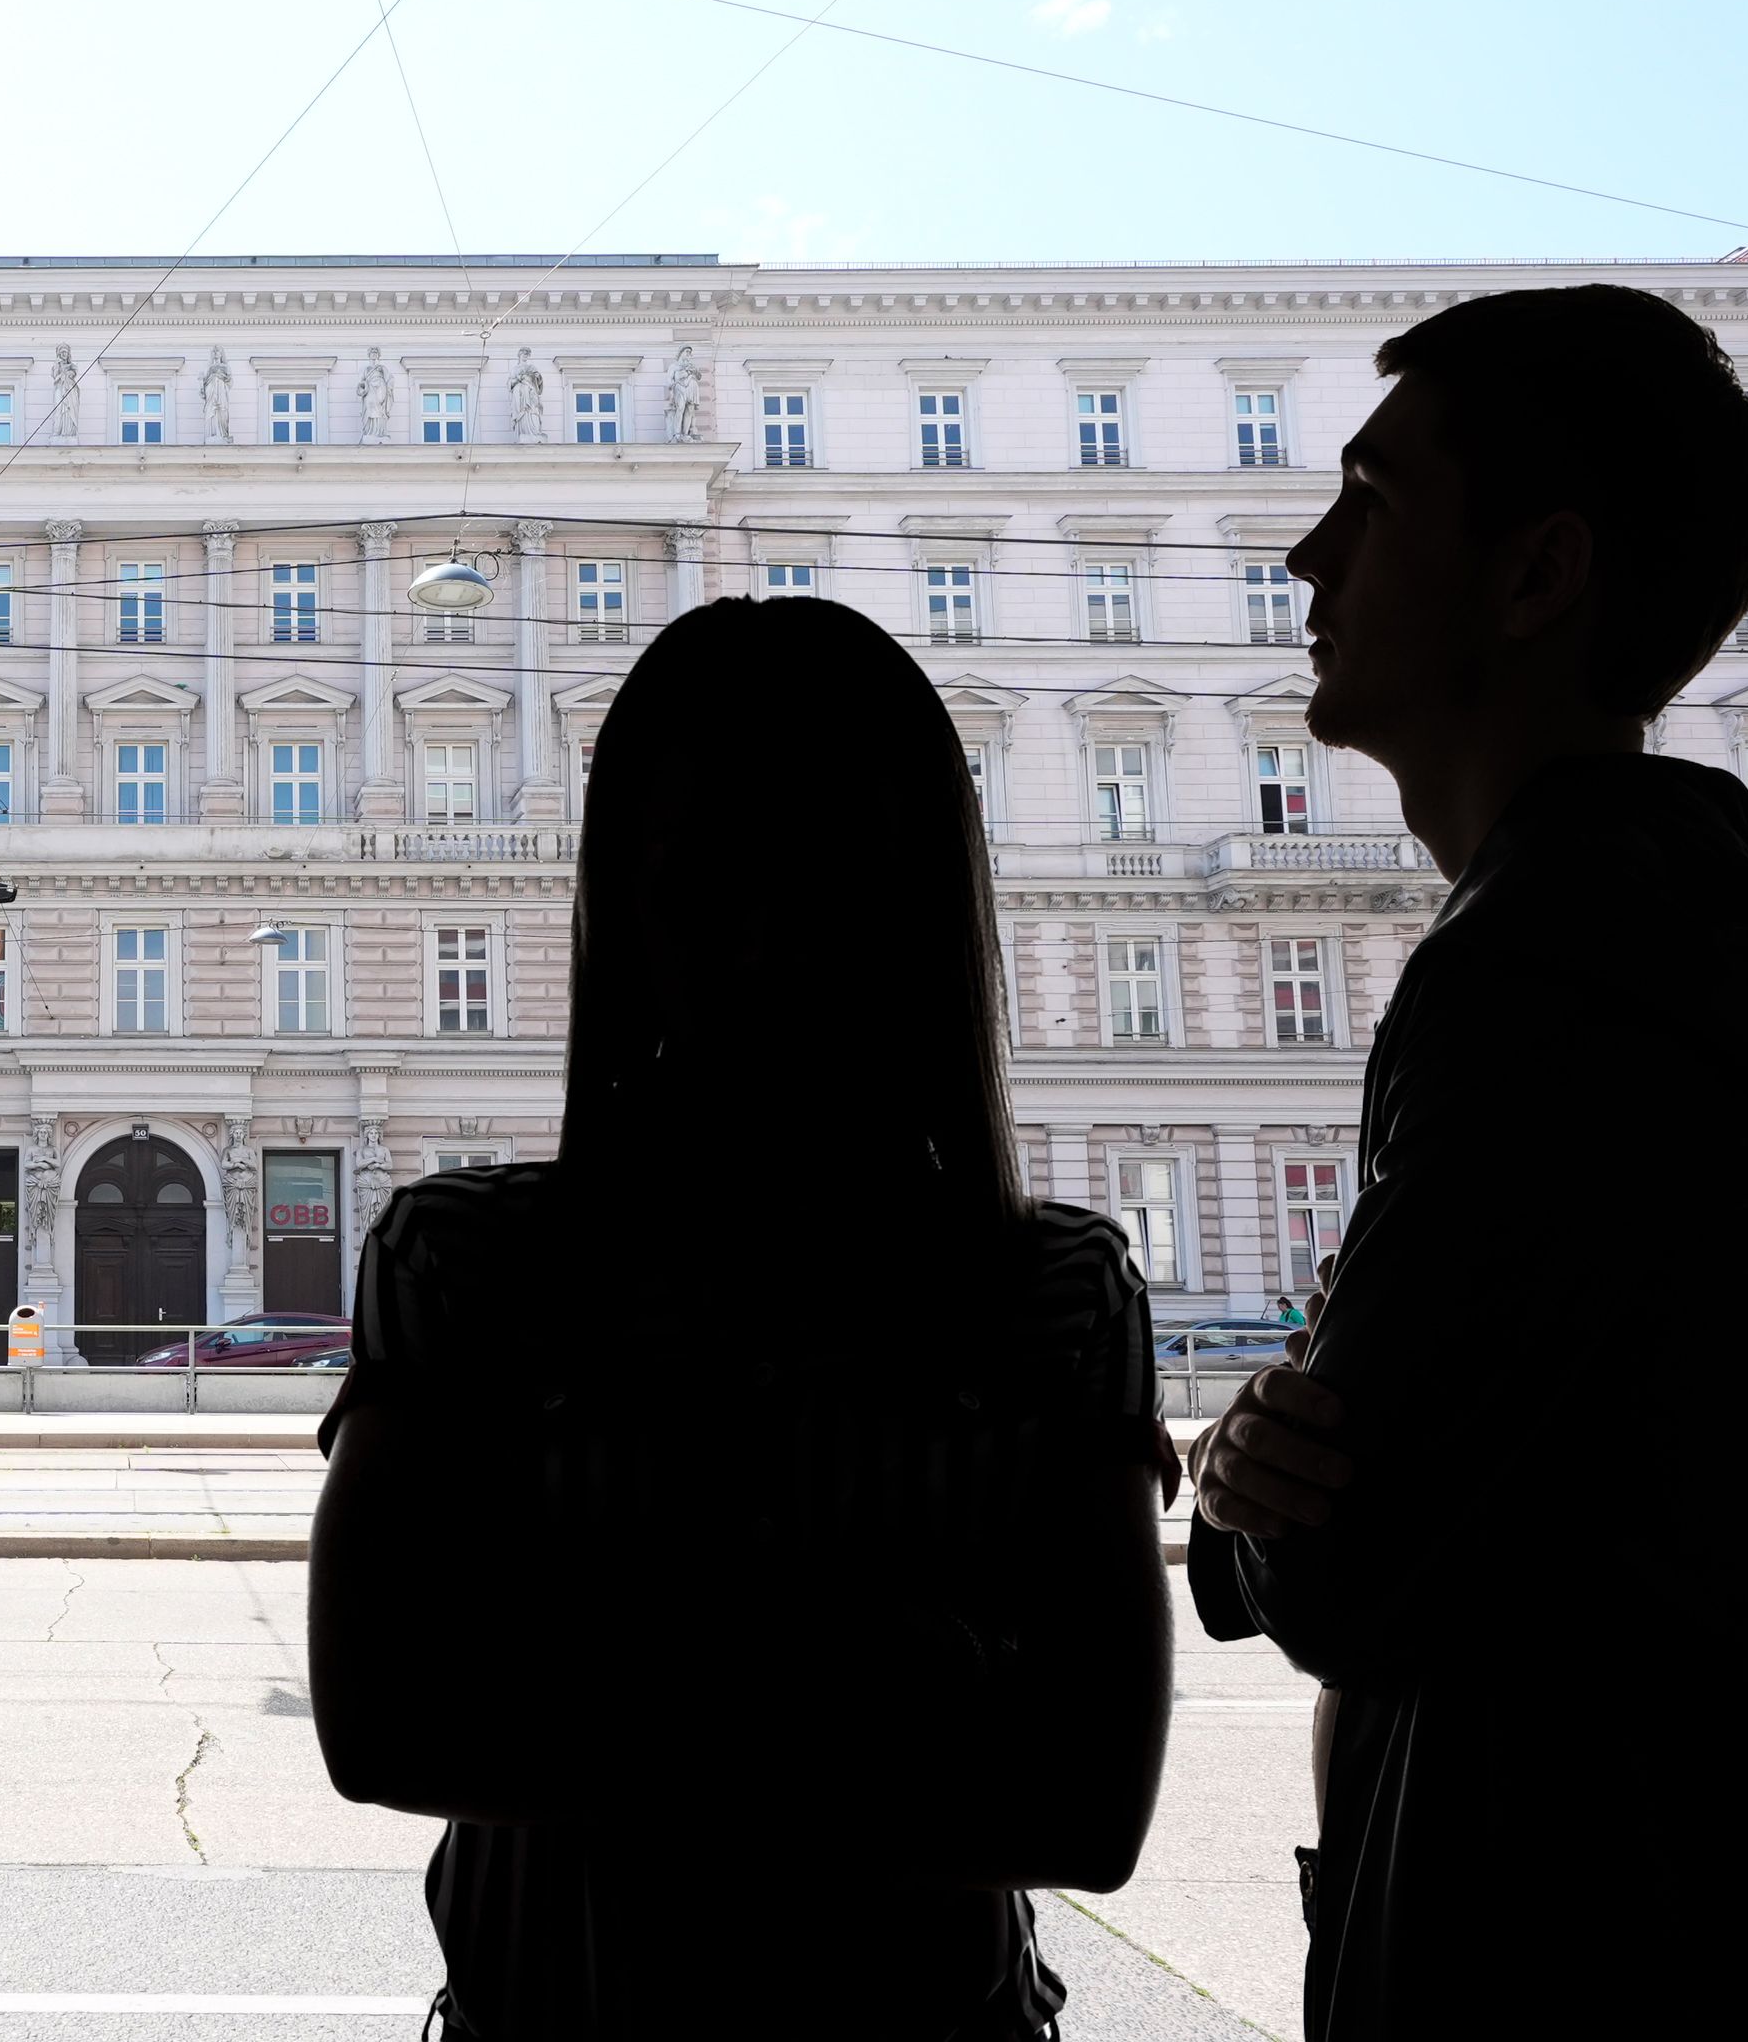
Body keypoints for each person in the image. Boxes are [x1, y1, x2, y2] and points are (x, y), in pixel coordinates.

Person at [1186, 284, 1748, 2040]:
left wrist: (1247, 1498)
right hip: (1720, 1928)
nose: (1304, 558)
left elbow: (1344, 1564)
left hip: (1526, 1939)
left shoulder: (1541, 978)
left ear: (1536, 574)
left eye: (1373, 501)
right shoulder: (1725, 955)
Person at [309, 596, 1175, 2039]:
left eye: (831, 888)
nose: (770, 947)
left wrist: (580, 1668)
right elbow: (383, 1725)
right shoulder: (1041, 1303)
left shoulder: (477, 1280)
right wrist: (915, 1676)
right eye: (709, 885)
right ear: (626, 907)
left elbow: (1088, 1811)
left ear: (918, 914)